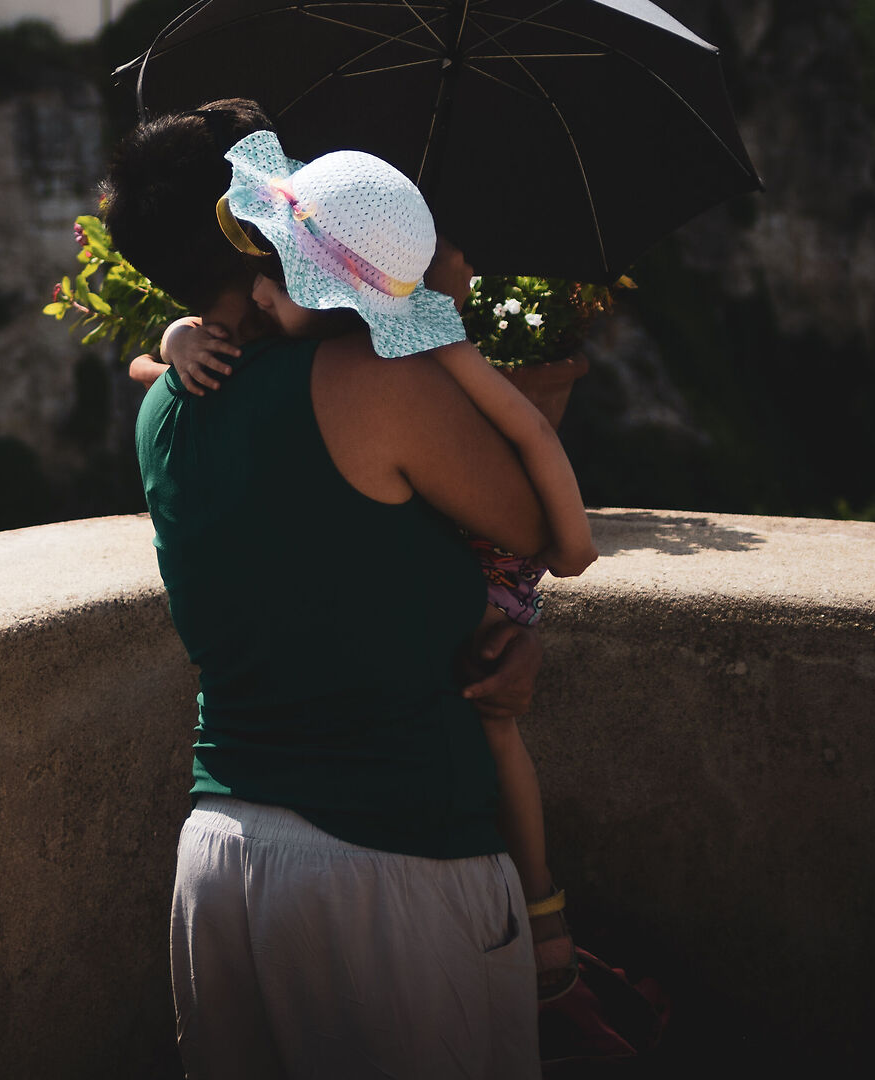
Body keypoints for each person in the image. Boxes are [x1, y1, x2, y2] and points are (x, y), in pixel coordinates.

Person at [103, 111, 552, 1078]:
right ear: (253, 230)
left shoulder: (163, 409)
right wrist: (428, 311)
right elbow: (533, 525)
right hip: (393, 861)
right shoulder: (365, 382)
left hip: (223, 860)